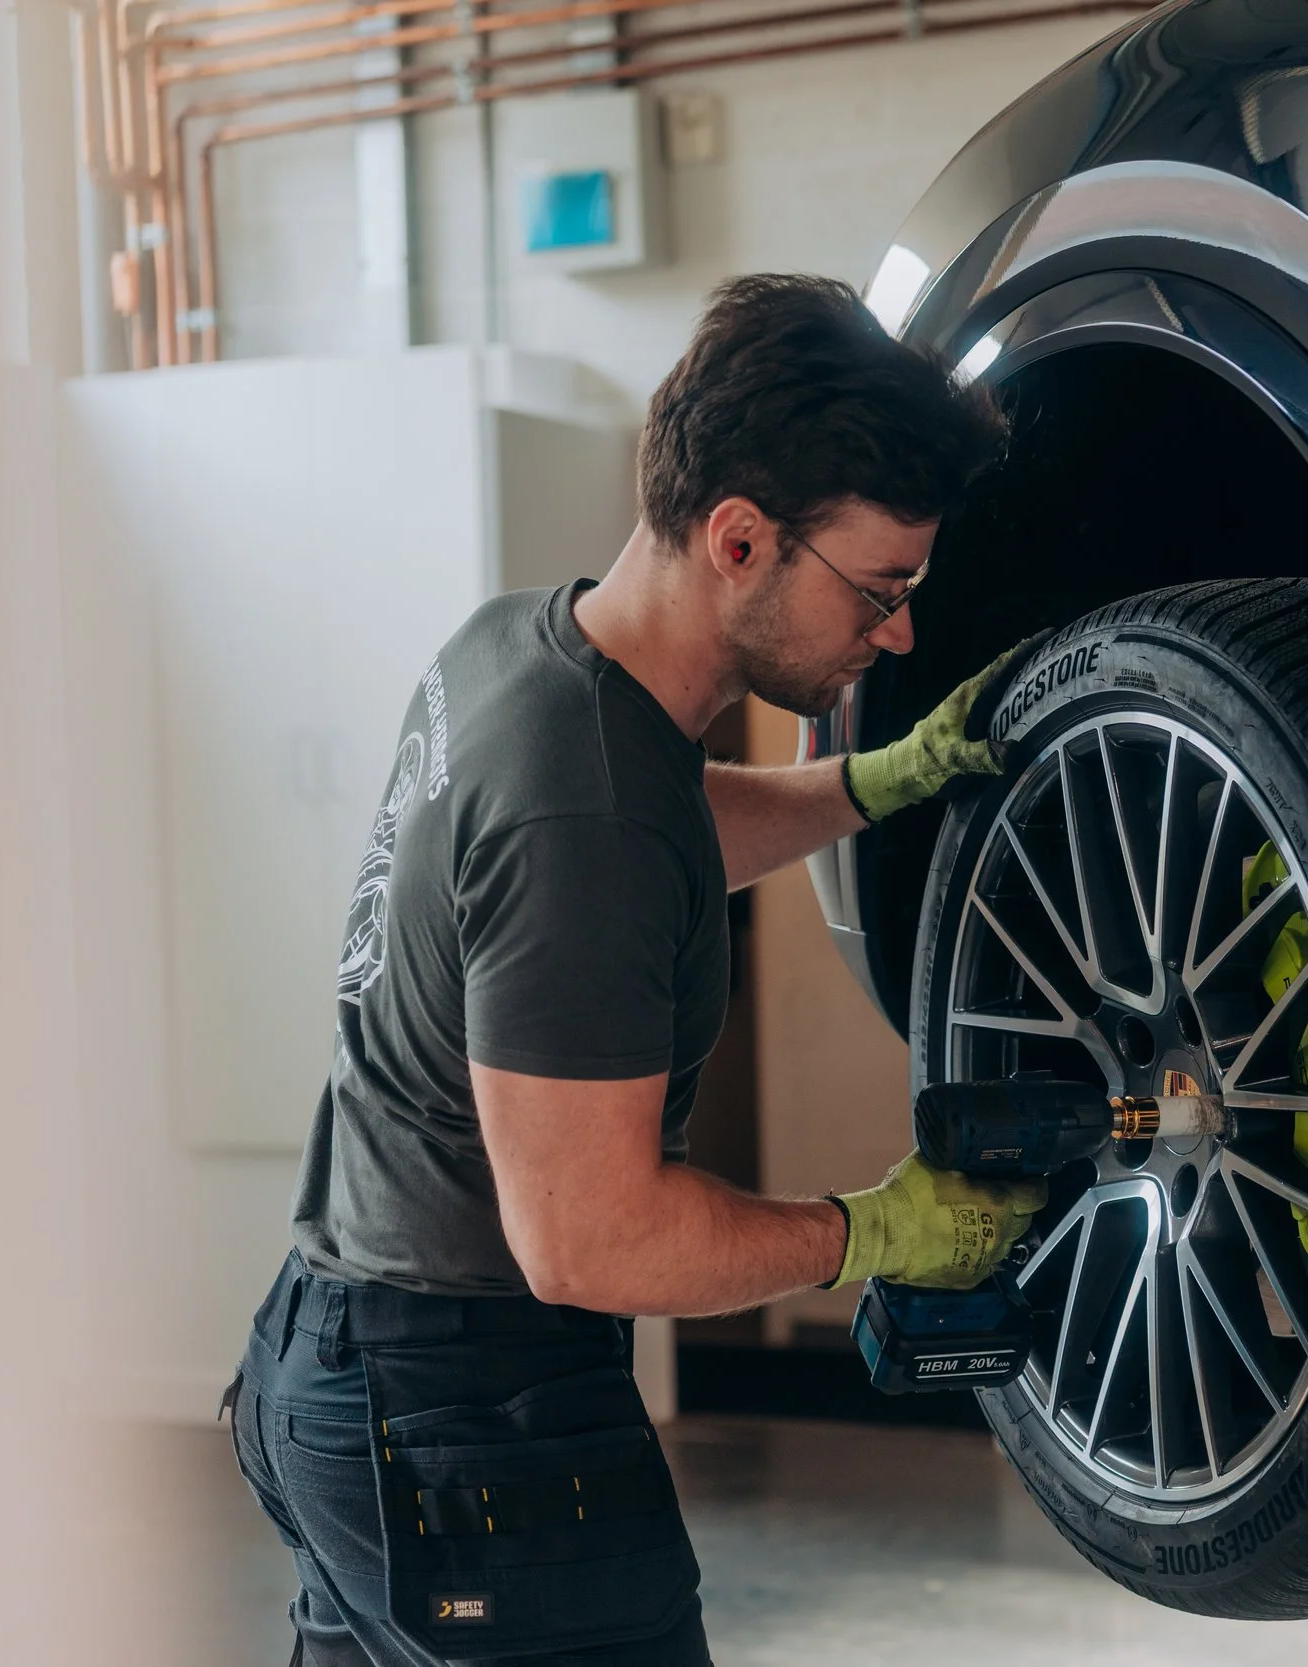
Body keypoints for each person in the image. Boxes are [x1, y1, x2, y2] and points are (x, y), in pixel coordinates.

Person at [226, 273, 1047, 1667]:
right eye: (881, 587)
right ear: (738, 538)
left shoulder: (523, 652)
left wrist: (878, 778)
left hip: (342, 1362)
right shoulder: (579, 808)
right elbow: (592, 1239)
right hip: (468, 1421)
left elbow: (660, 833)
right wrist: (872, 1233)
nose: (898, 631)